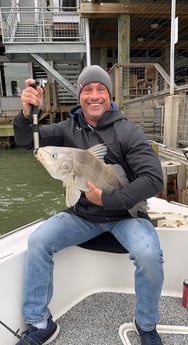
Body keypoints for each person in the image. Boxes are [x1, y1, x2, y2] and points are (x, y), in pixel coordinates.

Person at [13, 65, 164, 345]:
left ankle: (146, 326)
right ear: (79, 95)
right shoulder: (67, 129)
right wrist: (26, 114)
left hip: (126, 215)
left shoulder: (128, 132)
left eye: (101, 90)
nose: (94, 96)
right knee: (38, 241)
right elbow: (25, 140)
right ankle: (39, 322)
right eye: (88, 90)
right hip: (84, 216)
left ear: (109, 96)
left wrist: (108, 199)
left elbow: (154, 179)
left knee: (149, 256)